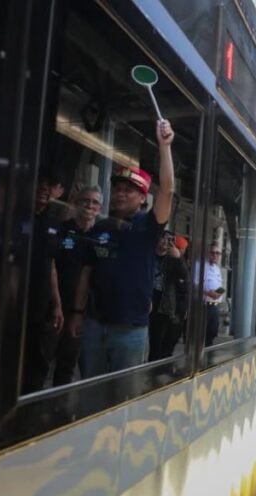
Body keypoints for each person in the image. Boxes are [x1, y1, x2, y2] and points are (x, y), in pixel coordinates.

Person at [69, 119, 175, 380]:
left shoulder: (149, 226)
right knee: (90, 395)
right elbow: (86, 273)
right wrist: (77, 313)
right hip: (94, 325)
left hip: (131, 331)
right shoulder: (99, 228)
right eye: (117, 188)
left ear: (143, 198)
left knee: (125, 402)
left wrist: (165, 147)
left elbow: (168, 191)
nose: (121, 194)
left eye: (130, 190)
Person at [52, 186, 102, 385]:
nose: (90, 205)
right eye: (85, 200)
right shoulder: (62, 230)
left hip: (86, 312)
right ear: (77, 203)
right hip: (56, 306)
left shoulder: (102, 236)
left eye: (95, 202)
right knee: (45, 359)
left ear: (99, 208)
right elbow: (51, 265)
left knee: (71, 363)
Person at [21, 175, 64, 393]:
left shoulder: (53, 222)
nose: (45, 189)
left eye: (51, 185)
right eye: (40, 183)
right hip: (15, 301)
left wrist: (57, 304)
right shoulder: (16, 214)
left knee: (38, 361)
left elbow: (51, 265)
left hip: (41, 304)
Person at [149, 231, 189, 361]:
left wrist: (178, 258)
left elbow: (185, 276)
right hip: (145, 302)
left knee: (158, 342)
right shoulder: (148, 256)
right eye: (163, 238)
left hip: (163, 305)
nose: (166, 242)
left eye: (170, 240)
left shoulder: (172, 259)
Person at [202, 244, 224, 346]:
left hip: (215, 306)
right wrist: (209, 292)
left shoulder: (217, 268)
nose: (215, 255)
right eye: (213, 253)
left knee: (212, 333)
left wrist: (218, 293)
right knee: (202, 335)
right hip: (205, 305)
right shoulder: (202, 266)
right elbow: (196, 284)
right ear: (208, 253)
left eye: (217, 253)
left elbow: (220, 285)